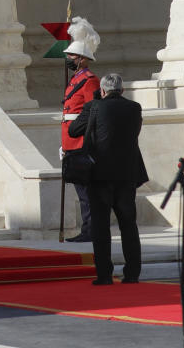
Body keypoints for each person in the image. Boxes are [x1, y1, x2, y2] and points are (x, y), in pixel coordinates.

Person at [68, 71, 147, 284]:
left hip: (100, 175)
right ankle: (132, 274)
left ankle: (104, 274)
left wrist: (92, 105)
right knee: (128, 225)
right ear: (122, 90)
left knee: (101, 226)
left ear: (102, 90)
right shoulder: (134, 108)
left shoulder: (93, 106)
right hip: (127, 175)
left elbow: (74, 130)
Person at [61, 17, 101, 243]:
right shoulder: (76, 78)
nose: (69, 58)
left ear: (84, 59)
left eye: (73, 56)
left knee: (86, 193)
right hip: (70, 140)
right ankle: (88, 228)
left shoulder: (89, 80)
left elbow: (92, 111)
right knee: (81, 192)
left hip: (80, 141)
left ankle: (91, 229)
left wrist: (82, 137)